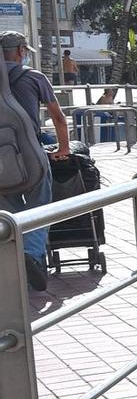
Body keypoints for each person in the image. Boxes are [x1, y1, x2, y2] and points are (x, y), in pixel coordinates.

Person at [3, 33, 71, 292]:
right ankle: (31, 255)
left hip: (1, 159)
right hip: (31, 153)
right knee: (39, 206)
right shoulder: (34, 77)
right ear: (21, 50)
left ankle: (10, 262)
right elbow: (58, 117)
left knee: (6, 212)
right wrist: (63, 148)